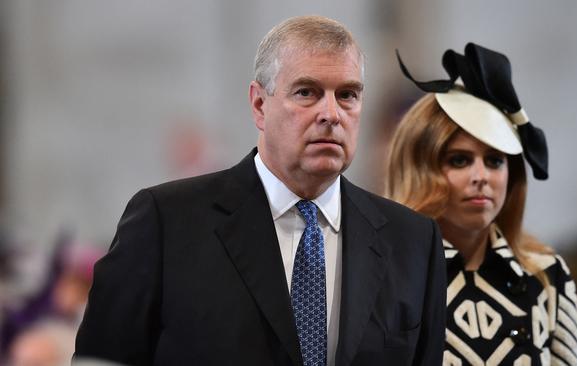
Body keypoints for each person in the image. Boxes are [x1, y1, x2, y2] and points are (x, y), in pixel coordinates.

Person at [74, 15, 446, 366]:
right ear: (258, 104)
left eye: (347, 95)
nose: (331, 114)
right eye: (307, 92)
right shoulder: (166, 223)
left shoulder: (413, 241)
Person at [386, 43, 577, 365]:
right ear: (421, 169)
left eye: (494, 160)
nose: (481, 176)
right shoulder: (391, 277)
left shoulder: (546, 276)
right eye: (459, 160)